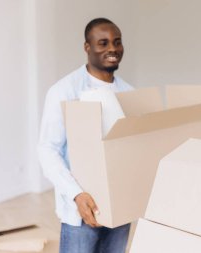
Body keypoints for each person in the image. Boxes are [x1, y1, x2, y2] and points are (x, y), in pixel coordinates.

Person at [38, 18, 133, 253]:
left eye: (117, 42)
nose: (112, 48)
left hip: (119, 208)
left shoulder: (129, 93)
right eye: (103, 43)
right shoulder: (64, 91)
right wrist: (76, 195)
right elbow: (48, 149)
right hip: (82, 209)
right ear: (87, 47)